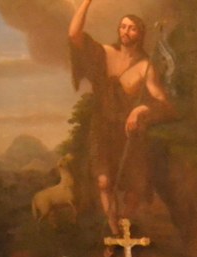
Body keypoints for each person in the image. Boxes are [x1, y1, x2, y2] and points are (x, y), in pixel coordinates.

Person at [67, 1, 174, 235]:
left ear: (140, 34)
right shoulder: (105, 53)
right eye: (123, 26)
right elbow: (74, 34)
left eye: (132, 28)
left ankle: (124, 225)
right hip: (102, 128)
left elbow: (164, 103)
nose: (126, 31)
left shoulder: (145, 66)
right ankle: (114, 230)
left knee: (135, 189)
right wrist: (86, 2)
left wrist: (140, 109)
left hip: (129, 132)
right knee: (103, 182)